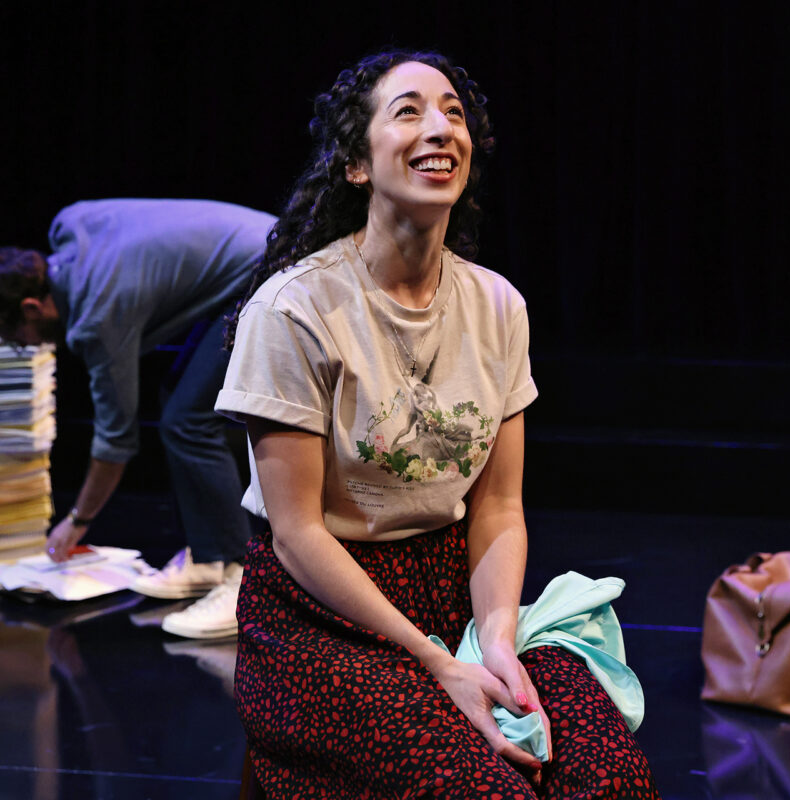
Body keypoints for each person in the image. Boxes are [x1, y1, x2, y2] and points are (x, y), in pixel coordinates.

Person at [217, 51, 659, 798]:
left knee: (603, 772)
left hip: (455, 589)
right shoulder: (293, 311)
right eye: (410, 110)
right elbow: (296, 533)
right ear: (357, 164)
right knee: (483, 788)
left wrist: (497, 641)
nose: (441, 128)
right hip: (322, 614)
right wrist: (436, 663)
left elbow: (498, 506)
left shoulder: (498, 307)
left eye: (454, 112)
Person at [0, 198, 276, 639]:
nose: (26, 346)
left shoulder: (97, 315)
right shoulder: (69, 225)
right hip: (257, 254)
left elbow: (116, 441)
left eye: (17, 337)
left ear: (32, 308)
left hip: (275, 269)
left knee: (188, 421)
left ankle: (241, 582)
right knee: (178, 403)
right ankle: (209, 559)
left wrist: (79, 521)